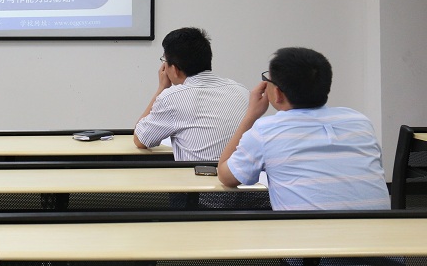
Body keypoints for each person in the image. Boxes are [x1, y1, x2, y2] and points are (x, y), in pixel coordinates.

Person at [218, 47, 390, 210]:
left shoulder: (266, 130)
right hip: (380, 230)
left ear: (277, 93)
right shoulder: (359, 121)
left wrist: (251, 115)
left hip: (306, 232)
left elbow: (226, 176)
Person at [134, 27, 248, 161]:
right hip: (240, 174)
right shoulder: (242, 92)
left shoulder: (171, 98)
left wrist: (162, 88)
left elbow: (140, 140)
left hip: (197, 174)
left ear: (174, 69)